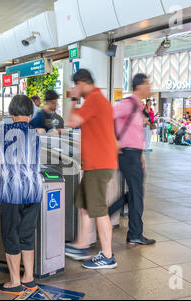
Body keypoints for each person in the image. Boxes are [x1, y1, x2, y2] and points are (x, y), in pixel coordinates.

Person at [0, 95, 42, 295]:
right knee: (27, 235)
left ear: (11, 113)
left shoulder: (3, 131)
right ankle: (29, 278)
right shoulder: (36, 133)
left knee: (11, 235)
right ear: (31, 113)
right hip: (34, 190)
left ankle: (15, 282)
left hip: (12, 191)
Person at [64, 69, 118, 269]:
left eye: (76, 86)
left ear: (81, 83)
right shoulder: (98, 99)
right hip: (96, 163)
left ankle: (107, 256)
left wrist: (73, 99)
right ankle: (81, 244)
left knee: (99, 210)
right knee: (85, 206)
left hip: (99, 164)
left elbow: (72, 122)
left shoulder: (94, 99)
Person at [109, 73, 156, 246]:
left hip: (135, 154)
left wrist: (142, 153)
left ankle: (107, 214)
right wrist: (114, 141)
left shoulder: (138, 106)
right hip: (127, 154)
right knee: (137, 194)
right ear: (139, 86)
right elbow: (107, 117)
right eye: (148, 84)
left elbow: (136, 133)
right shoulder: (127, 104)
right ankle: (135, 233)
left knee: (136, 193)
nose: (150, 87)